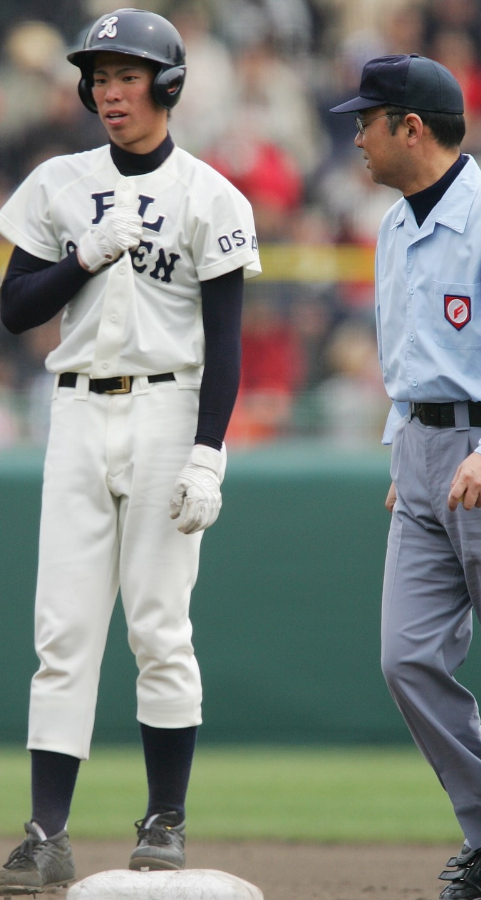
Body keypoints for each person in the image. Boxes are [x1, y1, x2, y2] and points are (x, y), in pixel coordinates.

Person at [0, 8, 261, 896]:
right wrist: (79, 261)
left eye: (127, 75)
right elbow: (17, 309)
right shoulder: (60, 181)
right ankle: (44, 833)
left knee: (158, 625)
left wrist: (208, 453)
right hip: (75, 410)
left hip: (167, 408)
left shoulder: (210, 194)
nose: (109, 90)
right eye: (99, 76)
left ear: (168, 86)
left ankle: (165, 819)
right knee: (62, 632)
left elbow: (226, 342)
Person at [331, 54, 481, 898]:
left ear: (410, 127)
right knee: (406, 657)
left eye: (367, 119)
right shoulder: (391, 224)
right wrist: (406, 446)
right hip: (422, 456)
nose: (356, 135)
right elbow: (414, 357)